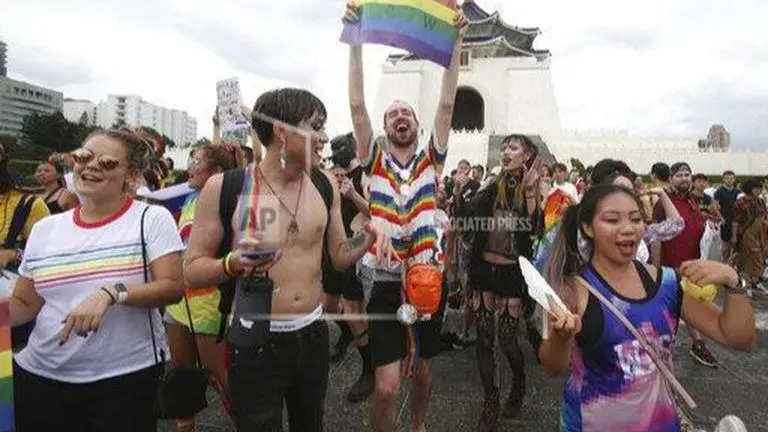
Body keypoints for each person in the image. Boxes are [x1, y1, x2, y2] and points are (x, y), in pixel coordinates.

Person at [184, 88, 386, 432]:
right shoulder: (227, 186)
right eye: (315, 127)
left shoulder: (325, 185)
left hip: (312, 334)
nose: (323, 137)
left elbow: (338, 257)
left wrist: (369, 236)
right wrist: (231, 264)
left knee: (310, 423)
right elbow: (191, 271)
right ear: (281, 130)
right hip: (255, 337)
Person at [540, 184, 755, 432]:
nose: (628, 228)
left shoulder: (667, 284)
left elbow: (737, 337)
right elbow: (551, 366)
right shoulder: (574, 289)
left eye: (635, 219)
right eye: (612, 220)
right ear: (588, 228)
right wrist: (561, 338)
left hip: (659, 423)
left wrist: (733, 280)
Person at [10, 127, 185, 431]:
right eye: (84, 157)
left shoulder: (149, 219)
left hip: (123, 380)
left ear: (130, 177)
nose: (90, 166)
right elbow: (25, 302)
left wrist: (112, 293)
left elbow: (172, 287)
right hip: (41, 378)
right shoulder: (46, 229)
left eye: (107, 163)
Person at [345, 2, 467, 429]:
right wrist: (355, 42)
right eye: (393, 114)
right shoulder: (374, 159)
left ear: (417, 124)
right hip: (383, 279)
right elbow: (357, 104)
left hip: (427, 278)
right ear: (384, 126)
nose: (401, 117)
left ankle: (417, 426)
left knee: (424, 372)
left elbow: (448, 103)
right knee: (386, 386)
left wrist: (456, 44)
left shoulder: (432, 160)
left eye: (407, 113)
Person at [456, 135, 544, 430]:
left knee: (507, 340)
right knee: (483, 339)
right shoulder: (492, 183)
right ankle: (491, 400)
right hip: (483, 271)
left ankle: (518, 384)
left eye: (514, 147)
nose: (506, 151)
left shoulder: (529, 185)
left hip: (510, 274)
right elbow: (465, 219)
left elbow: (534, 227)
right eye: (504, 147)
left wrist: (531, 192)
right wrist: (461, 188)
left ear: (527, 154)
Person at [164, 144, 245, 432]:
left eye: (197, 161)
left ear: (218, 173)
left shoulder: (227, 201)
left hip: (210, 305)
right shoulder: (187, 198)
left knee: (225, 380)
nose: (190, 166)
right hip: (178, 303)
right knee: (181, 379)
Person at [325, 132, 376, 402]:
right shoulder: (333, 175)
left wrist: (353, 194)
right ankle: (350, 335)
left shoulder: (367, 175)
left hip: (359, 251)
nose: (336, 154)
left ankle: (370, 366)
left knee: (354, 307)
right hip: (335, 248)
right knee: (330, 304)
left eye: (340, 148)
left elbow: (378, 214)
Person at [651, 163, 716, 367]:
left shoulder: (693, 202)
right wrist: (656, 269)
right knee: (669, 311)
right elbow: (656, 238)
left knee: (690, 305)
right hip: (670, 268)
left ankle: (696, 344)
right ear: (670, 178)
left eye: (687, 174)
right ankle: (660, 352)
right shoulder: (663, 203)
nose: (685, 178)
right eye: (679, 175)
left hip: (691, 265)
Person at [0, 143, 51, 350]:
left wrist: (14, 254)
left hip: (9, 308)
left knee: (3, 376)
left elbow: (50, 260)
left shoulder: (29, 204)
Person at [731, 178, 768, 295]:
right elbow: (735, 221)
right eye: (756, 188)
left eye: (760, 188)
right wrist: (734, 236)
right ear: (749, 188)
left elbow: (765, 217)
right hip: (746, 234)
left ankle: (754, 282)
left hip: (761, 233)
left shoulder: (761, 201)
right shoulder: (741, 202)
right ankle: (748, 284)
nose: (759, 191)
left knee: (760, 256)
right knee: (751, 257)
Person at [715, 170, 740, 259]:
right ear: (723, 180)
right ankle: (725, 262)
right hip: (725, 221)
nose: (729, 180)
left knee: (736, 244)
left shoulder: (738, 192)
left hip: (736, 221)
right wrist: (720, 218)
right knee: (725, 245)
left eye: (731, 178)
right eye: (727, 178)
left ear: (734, 179)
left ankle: (733, 265)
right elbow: (715, 206)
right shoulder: (719, 191)